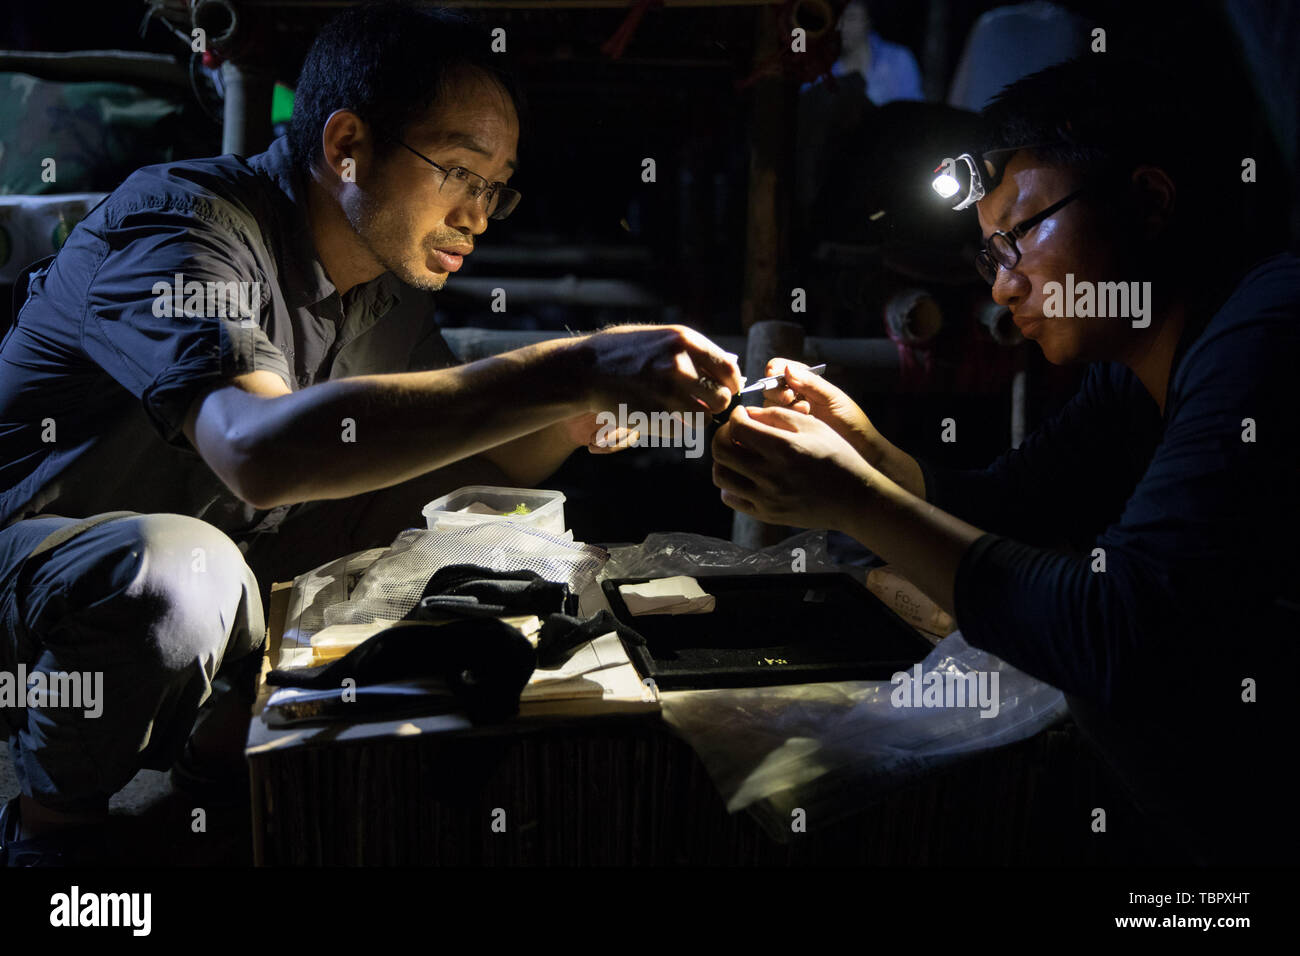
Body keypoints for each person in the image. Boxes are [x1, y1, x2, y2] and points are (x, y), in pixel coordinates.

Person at [0, 2, 741, 865]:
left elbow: (475, 462)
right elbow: (258, 452)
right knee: (182, 571)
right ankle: (55, 825)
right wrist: (573, 365)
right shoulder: (182, 227)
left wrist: (573, 413)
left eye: (495, 186)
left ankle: (215, 771)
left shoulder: (380, 295)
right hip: (36, 573)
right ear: (347, 144)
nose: (479, 214)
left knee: (466, 521)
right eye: (460, 173)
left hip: (189, 593)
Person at [712, 56, 1298, 864]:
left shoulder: (1270, 327)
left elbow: (1119, 628)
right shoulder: (1132, 375)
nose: (1005, 289)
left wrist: (854, 500)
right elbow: (1014, 506)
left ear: (1149, 199)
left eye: (1019, 236)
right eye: (991, 257)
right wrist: (872, 457)